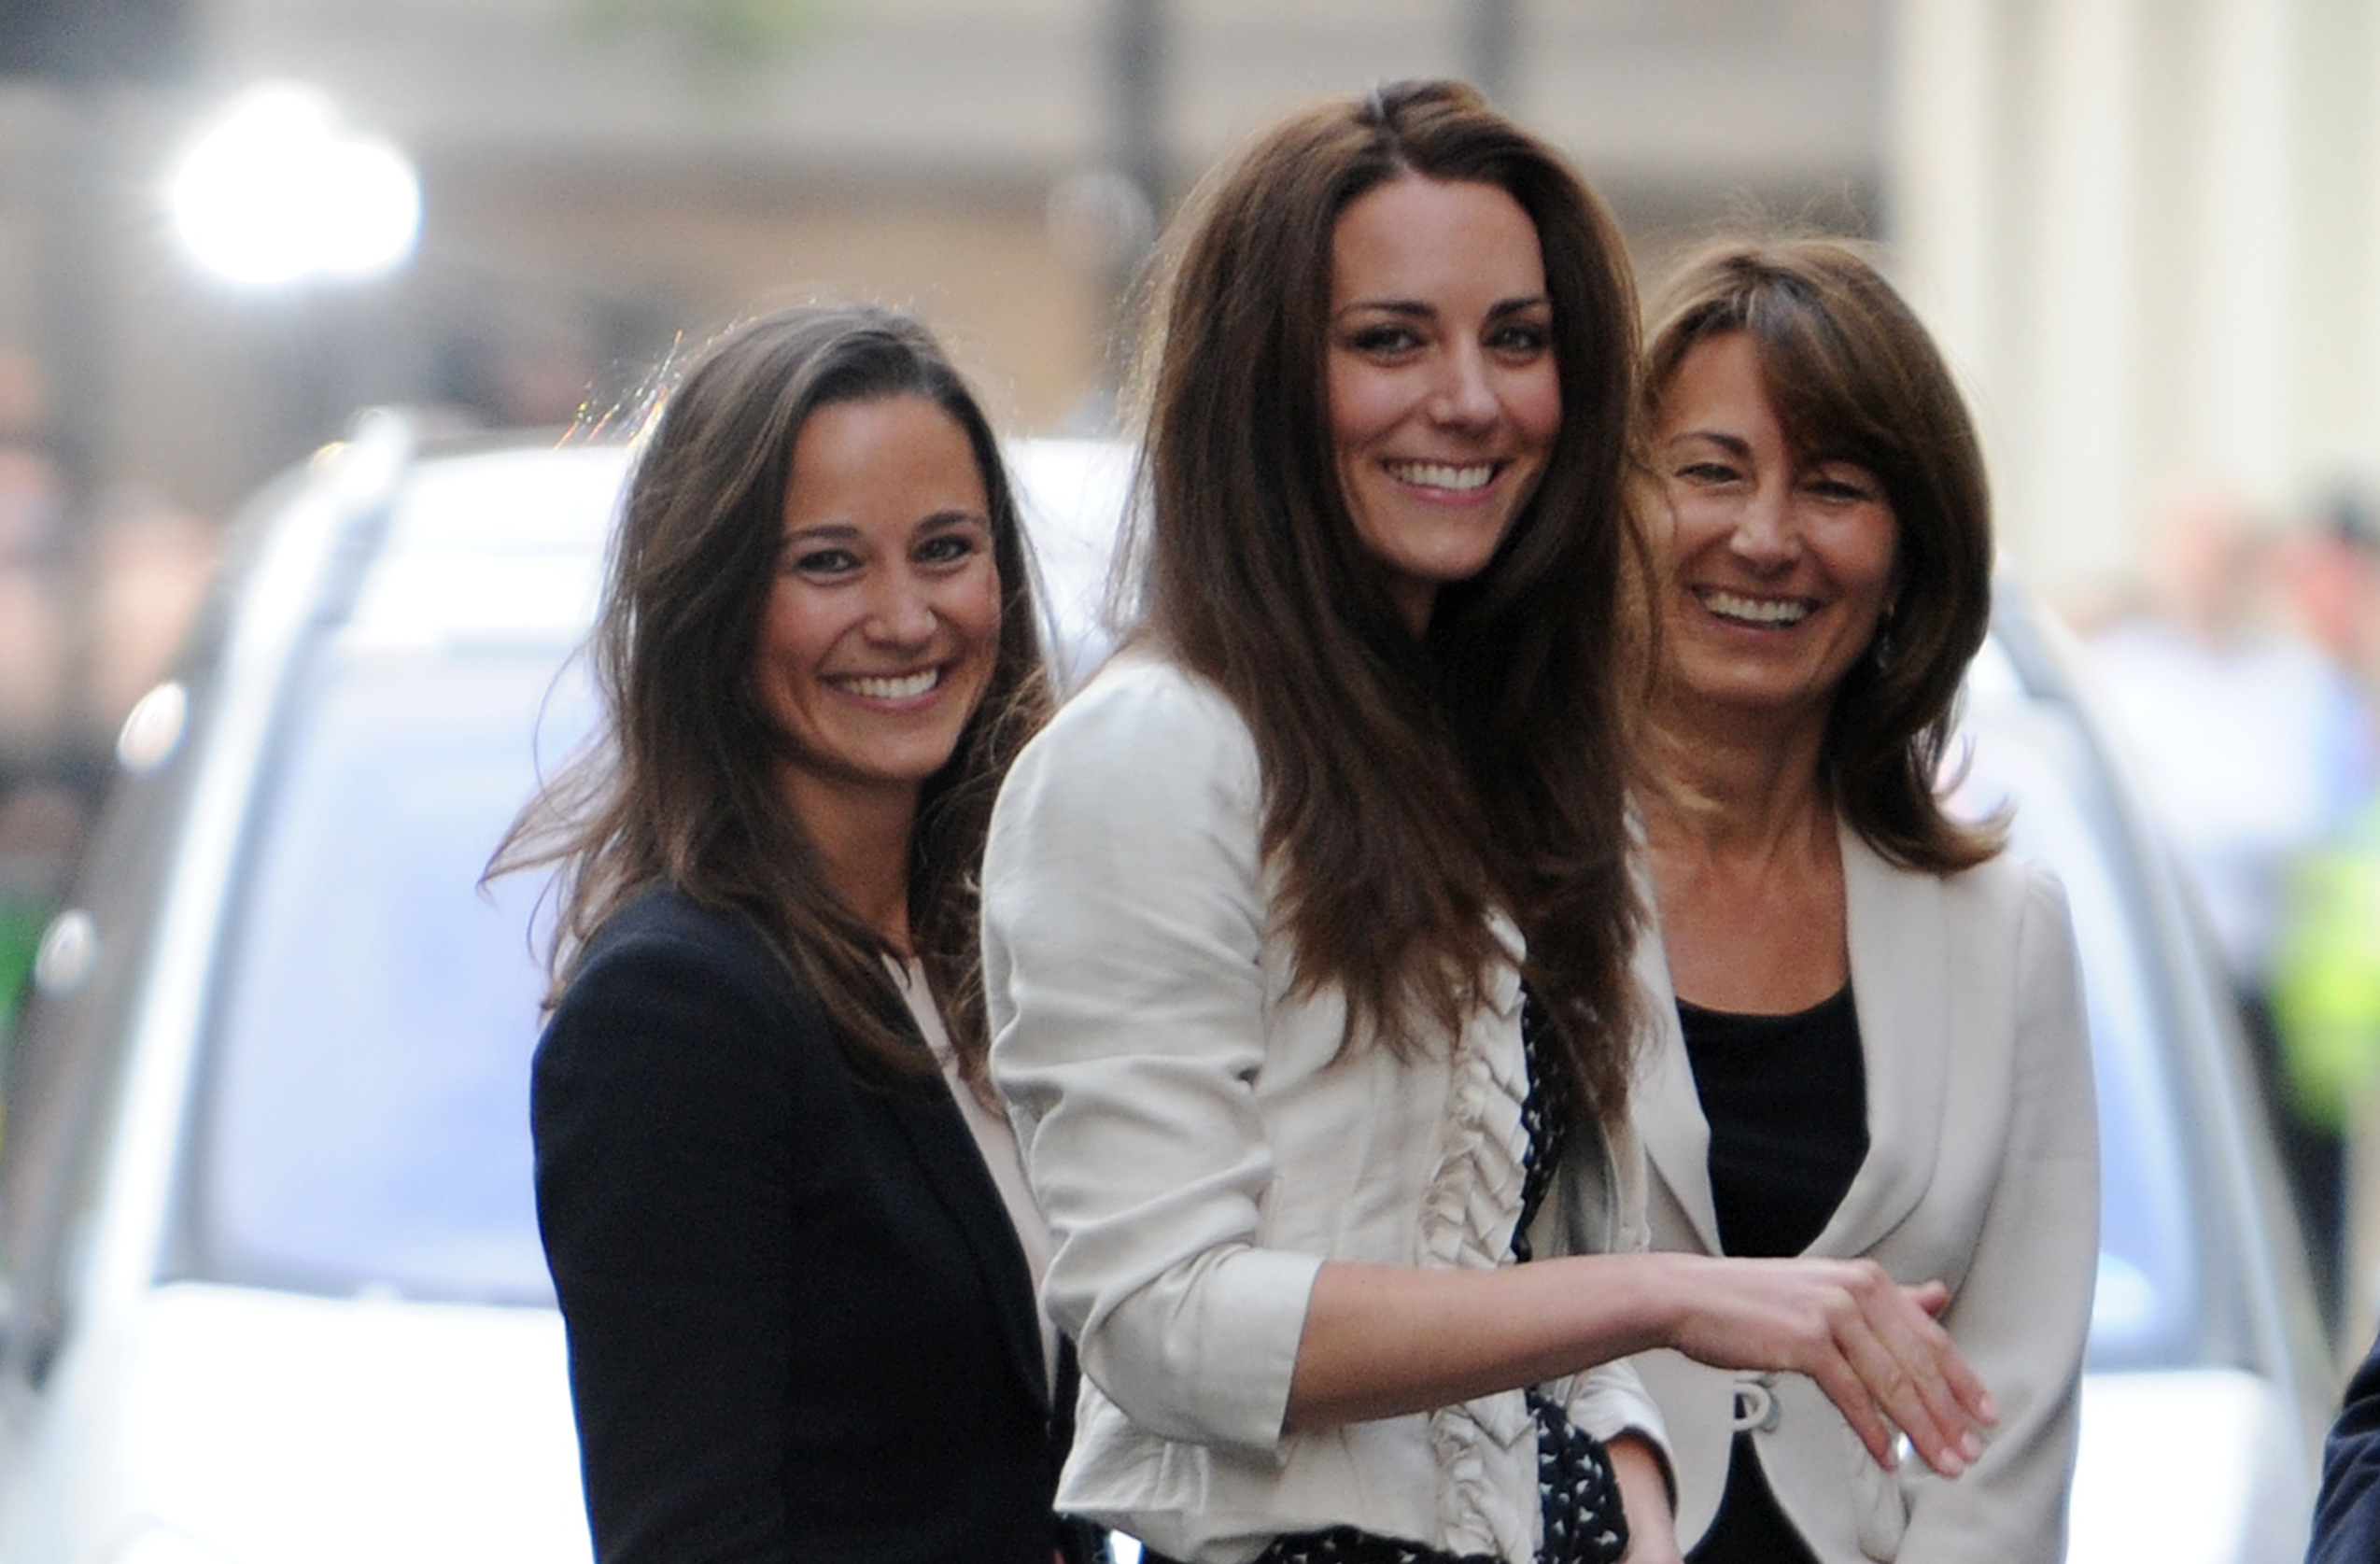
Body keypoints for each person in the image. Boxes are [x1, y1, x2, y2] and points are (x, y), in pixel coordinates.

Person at [980, 83, 1993, 1564]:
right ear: (1264, 377)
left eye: (1517, 340)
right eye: (1389, 339)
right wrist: (1666, 1295)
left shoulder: (1492, 748)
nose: (1470, 397)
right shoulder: (1151, 757)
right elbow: (1164, 1322)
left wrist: (1630, 1486)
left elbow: (1513, 1248)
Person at [495, 303, 1091, 1563]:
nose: (904, 615)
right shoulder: (675, 1009)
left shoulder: (1003, 958)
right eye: (828, 562)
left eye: (944, 548)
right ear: (713, 599)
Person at [1623, 238, 2099, 1562]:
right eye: (1709, 471)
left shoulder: (2003, 935)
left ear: (1909, 557)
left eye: (1833, 487)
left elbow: (2005, 1427)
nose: (1764, 537)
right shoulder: (1486, 883)